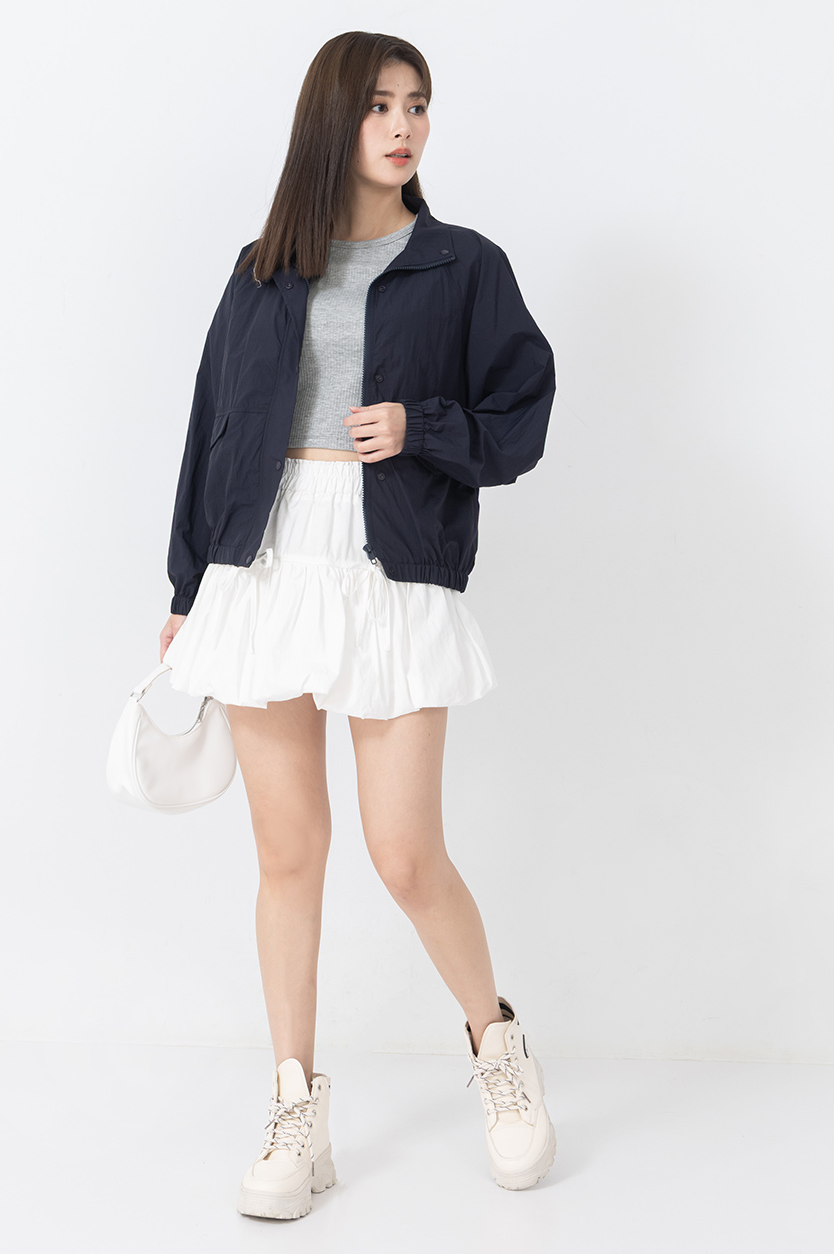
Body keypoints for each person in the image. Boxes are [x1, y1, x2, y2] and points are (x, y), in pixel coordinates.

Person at [159, 31, 557, 1218]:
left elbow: (522, 419)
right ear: (333, 120)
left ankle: (497, 1048)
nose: (403, 126)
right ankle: (296, 1112)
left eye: (417, 105)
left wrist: (422, 427)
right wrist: (185, 589)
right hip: (265, 559)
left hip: (389, 563)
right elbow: (211, 425)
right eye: (381, 105)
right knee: (288, 854)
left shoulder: (463, 266)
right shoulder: (263, 269)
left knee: (403, 853)